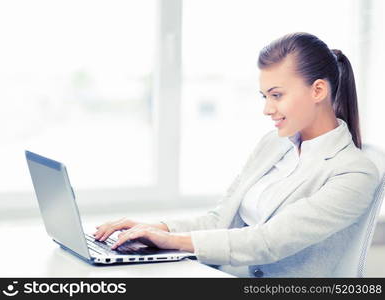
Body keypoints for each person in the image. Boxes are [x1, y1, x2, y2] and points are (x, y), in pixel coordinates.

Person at [93, 32, 380, 277]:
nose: (267, 109)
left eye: (277, 95)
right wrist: (154, 228)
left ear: (318, 90)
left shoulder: (355, 173)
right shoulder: (274, 144)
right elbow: (221, 220)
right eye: (264, 96)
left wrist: (172, 241)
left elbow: (269, 241)